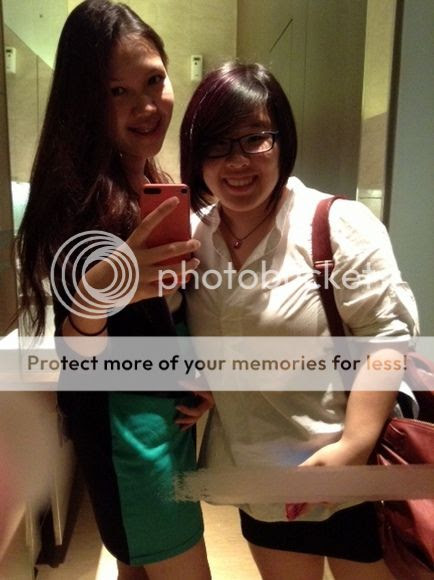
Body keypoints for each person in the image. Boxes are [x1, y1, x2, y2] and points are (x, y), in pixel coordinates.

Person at [180, 61, 419, 579]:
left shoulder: (336, 224)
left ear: (282, 140)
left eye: (254, 139)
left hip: (352, 476)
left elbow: (386, 337)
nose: (236, 161)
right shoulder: (194, 240)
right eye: (216, 145)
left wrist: (352, 448)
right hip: (259, 476)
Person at [16, 1, 212, 578]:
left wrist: (193, 372)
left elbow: (157, 319)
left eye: (153, 80)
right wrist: (96, 296)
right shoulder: (77, 199)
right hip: (128, 435)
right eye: (117, 92)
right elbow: (75, 356)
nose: (146, 106)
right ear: (85, 101)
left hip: (157, 421)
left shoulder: (147, 179)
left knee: (139, 568)